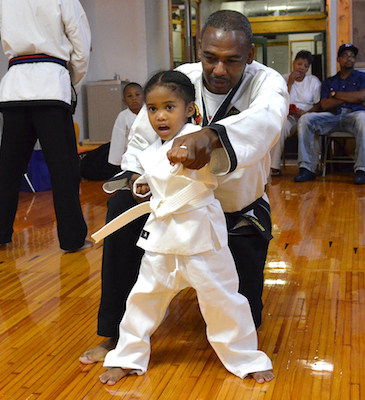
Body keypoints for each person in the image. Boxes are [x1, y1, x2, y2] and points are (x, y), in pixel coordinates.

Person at [78, 10, 288, 365]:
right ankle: (115, 333)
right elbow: (144, 135)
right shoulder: (181, 81)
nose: (219, 70)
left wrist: (211, 135)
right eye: (210, 58)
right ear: (199, 49)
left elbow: (266, 120)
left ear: (249, 56)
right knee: (122, 208)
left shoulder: (266, 83)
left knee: (249, 317)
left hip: (237, 212)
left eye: (231, 60)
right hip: (176, 208)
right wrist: (135, 177)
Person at [99, 70, 274, 385]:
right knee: (141, 299)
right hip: (161, 241)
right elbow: (153, 179)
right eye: (152, 109)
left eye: (169, 107)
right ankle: (127, 357)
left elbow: (214, 161)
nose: (160, 116)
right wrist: (141, 184)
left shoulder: (200, 139)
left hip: (201, 241)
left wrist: (193, 148)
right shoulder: (152, 149)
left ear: (190, 109)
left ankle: (247, 359)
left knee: (223, 300)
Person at [0, 0, 92, 252]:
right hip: (51, 84)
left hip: (14, 87)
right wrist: (72, 84)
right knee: (64, 170)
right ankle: (72, 238)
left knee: (9, 169)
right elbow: (80, 43)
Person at [294, 43, 365, 185]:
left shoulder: (364, 77)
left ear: (355, 60)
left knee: (363, 118)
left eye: (352, 56)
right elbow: (325, 104)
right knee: (306, 119)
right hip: (332, 117)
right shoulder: (329, 81)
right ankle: (307, 168)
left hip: (354, 116)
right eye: (344, 56)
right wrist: (353, 98)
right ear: (338, 59)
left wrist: (335, 94)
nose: (349, 59)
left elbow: (363, 96)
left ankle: (361, 170)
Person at [269, 50, 321, 177]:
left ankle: (313, 165)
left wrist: (306, 113)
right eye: (299, 64)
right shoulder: (283, 78)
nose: (302, 68)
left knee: (312, 127)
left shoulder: (313, 81)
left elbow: (318, 104)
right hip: (289, 115)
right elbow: (277, 99)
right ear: (293, 64)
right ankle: (273, 166)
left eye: (305, 66)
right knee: (279, 128)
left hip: (307, 115)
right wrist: (290, 82)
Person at [108, 83, 144, 167]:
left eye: (137, 95)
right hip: (130, 154)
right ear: (124, 101)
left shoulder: (149, 112)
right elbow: (118, 139)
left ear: (144, 97)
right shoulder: (123, 116)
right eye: (129, 96)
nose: (134, 98)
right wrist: (117, 162)